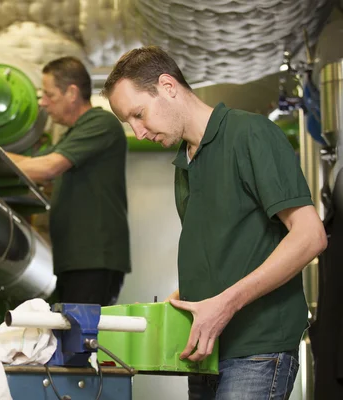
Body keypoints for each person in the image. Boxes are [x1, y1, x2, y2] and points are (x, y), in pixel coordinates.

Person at [101, 46, 327, 399]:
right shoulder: (185, 163)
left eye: (139, 114)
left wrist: (225, 304)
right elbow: (225, 251)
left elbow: (310, 236)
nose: (139, 132)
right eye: (129, 123)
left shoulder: (250, 134)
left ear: (168, 86)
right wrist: (176, 304)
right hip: (209, 353)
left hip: (257, 350)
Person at [6, 56, 131, 306]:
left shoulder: (100, 123)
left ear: (72, 93)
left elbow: (46, 168)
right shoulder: (72, 135)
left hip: (93, 259)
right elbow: (27, 163)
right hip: (76, 260)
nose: (42, 103)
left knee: (80, 339)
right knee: (71, 338)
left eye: (49, 95)